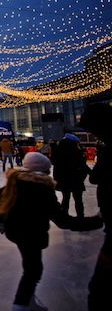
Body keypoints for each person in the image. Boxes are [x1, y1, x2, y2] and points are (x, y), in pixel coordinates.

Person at [0, 152, 103, 311]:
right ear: (43, 171)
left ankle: (28, 300)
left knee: (30, 266)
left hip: (16, 232)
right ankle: (20, 305)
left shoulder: (12, 183)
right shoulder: (42, 190)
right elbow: (64, 222)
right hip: (31, 234)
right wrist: (97, 221)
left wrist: (1, 221)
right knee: (33, 270)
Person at [78, 103, 112, 310]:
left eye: (92, 129)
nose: (92, 134)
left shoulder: (109, 151)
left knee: (100, 289)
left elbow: (96, 177)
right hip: (110, 219)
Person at [51, 133, 91, 218]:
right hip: (75, 179)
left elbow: (53, 162)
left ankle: (64, 216)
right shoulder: (75, 150)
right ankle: (80, 216)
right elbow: (82, 165)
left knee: (65, 198)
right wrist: (91, 173)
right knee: (78, 199)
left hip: (62, 179)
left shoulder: (57, 150)